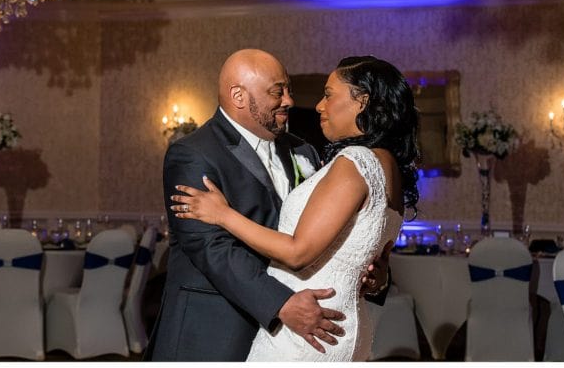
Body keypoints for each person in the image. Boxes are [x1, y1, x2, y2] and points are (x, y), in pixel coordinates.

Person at [171, 55, 419, 361]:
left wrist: (223, 214)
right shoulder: (194, 153)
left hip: (311, 330)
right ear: (239, 95)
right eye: (278, 92)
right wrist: (279, 303)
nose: (296, 101)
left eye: (328, 95)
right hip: (223, 327)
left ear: (362, 102)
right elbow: (210, 246)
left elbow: (300, 249)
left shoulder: (327, 156)